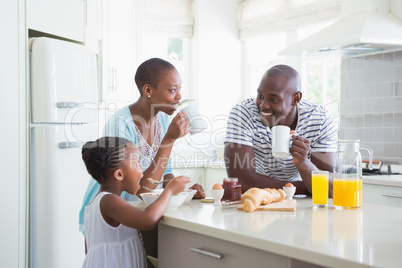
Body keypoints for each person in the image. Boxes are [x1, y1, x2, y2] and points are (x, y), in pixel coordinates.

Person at [79, 57, 205, 260]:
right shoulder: (120, 123)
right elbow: (138, 189)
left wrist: (182, 190)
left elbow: (165, 169)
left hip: (138, 210)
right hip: (115, 214)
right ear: (148, 90)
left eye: (180, 89)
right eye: (172, 90)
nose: (179, 97)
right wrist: (169, 141)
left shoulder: (163, 119)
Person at [224, 64, 337, 197]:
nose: (263, 105)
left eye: (273, 99)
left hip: (302, 204)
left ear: (296, 99)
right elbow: (241, 181)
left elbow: (331, 187)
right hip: (258, 198)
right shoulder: (243, 113)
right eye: (260, 96)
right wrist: (306, 187)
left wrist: (304, 164)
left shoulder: (319, 119)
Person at [81, 137, 190, 268]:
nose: (142, 170)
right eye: (137, 163)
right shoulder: (109, 201)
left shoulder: (96, 203)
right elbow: (148, 220)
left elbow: (90, 250)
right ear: (119, 174)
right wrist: (170, 190)